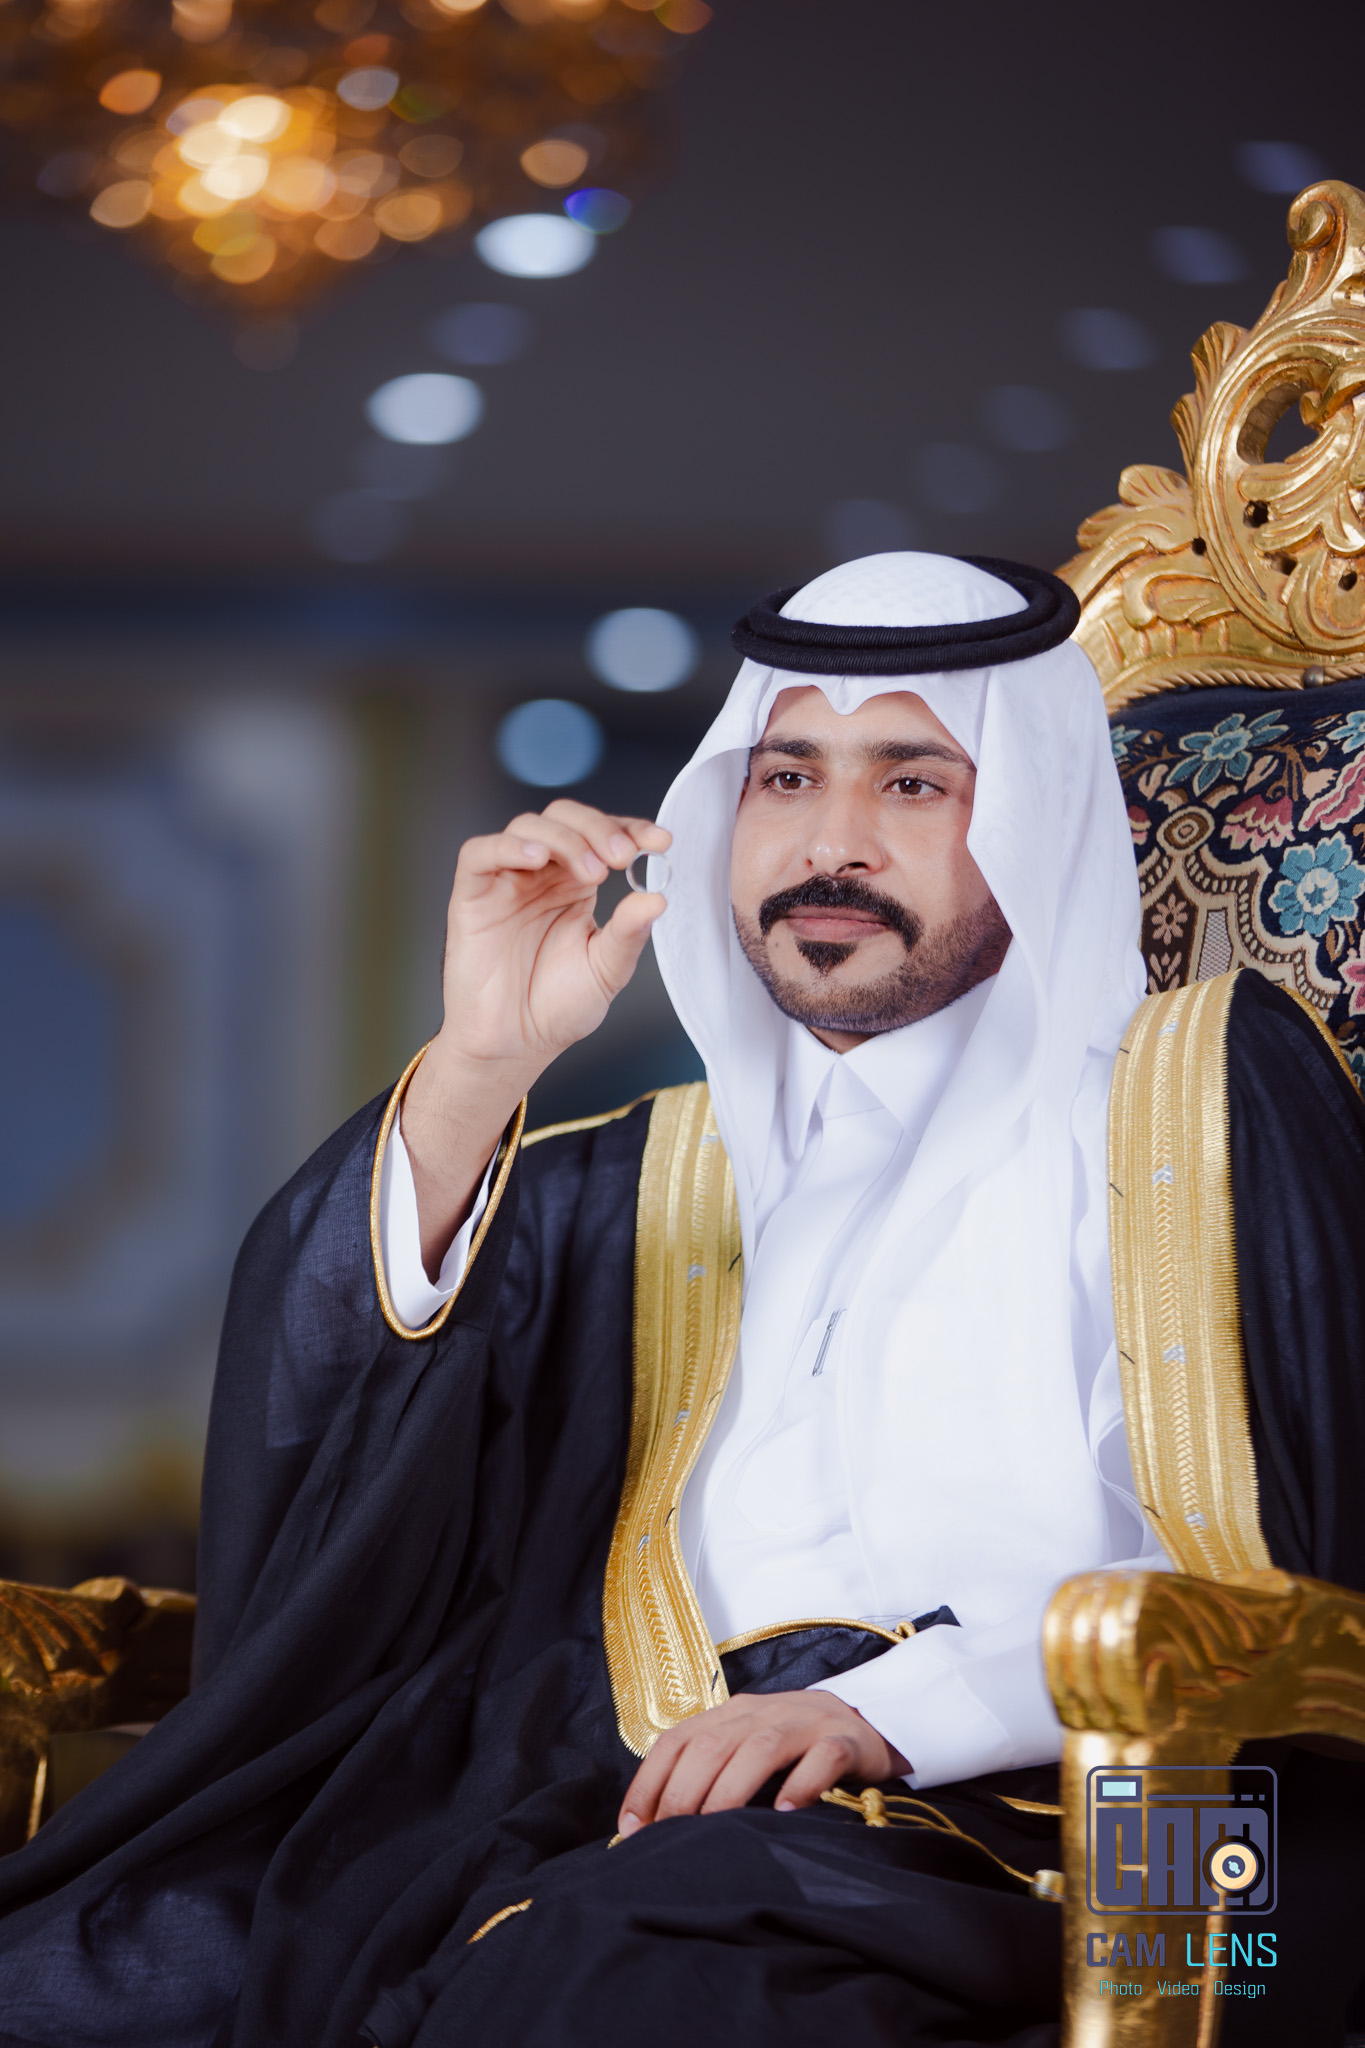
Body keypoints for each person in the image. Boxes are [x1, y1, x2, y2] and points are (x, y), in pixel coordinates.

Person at [1, 552, 1363, 2048]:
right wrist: (479, 1065)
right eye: (787, 777)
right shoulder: (639, 1180)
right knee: (90, 1968)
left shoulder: (1189, 1102)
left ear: (1036, 817)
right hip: (589, 1793)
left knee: (612, 1976)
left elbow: (1286, 1557)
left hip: (1064, 1816)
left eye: (914, 783)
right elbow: (329, 1429)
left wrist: (884, 1713)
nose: (829, 844)